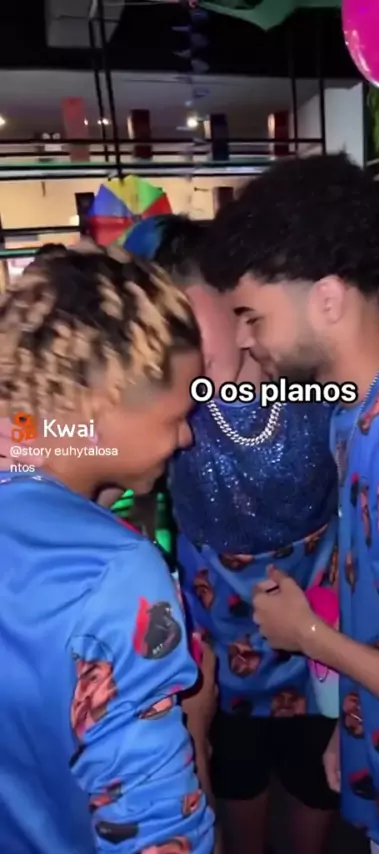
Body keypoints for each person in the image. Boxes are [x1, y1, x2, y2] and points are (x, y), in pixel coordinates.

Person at [199, 153, 379, 854]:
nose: (243, 339)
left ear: (326, 300)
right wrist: (354, 723)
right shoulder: (355, 409)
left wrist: (309, 636)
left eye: (252, 316)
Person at [125, 214, 340, 854]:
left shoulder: (316, 382)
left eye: (187, 319)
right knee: (238, 787)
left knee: (312, 787)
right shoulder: (171, 404)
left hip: (319, 635)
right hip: (217, 643)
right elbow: (61, 437)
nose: (177, 345)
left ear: (234, 294)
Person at [0, 246, 214, 854]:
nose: (186, 436)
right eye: (176, 416)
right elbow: (158, 834)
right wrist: (196, 723)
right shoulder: (116, 572)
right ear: (104, 404)